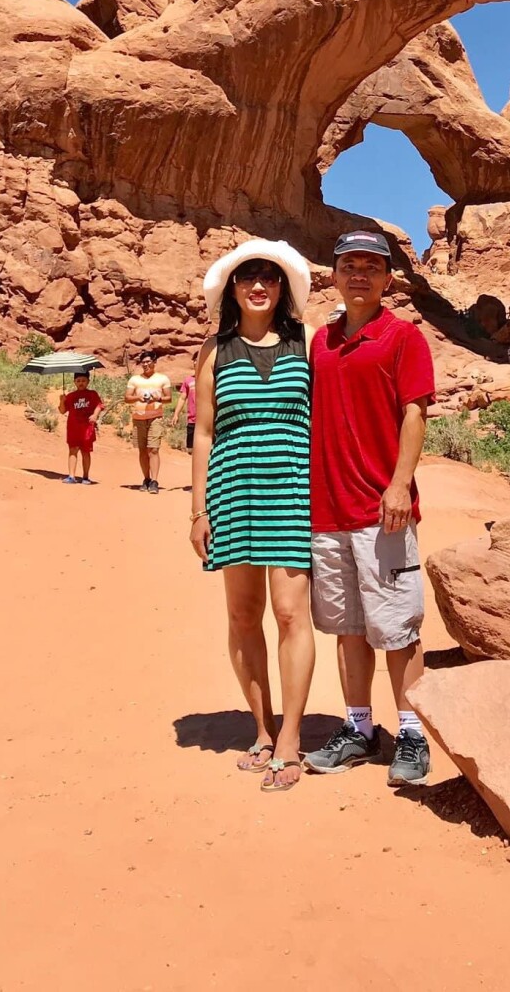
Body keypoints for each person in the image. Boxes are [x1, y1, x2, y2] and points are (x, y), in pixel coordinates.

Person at [303, 229, 436, 789]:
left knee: (397, 626)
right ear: (333, 274)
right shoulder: (321, 342)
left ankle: (412, 731)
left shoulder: (403, 337)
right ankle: (359, 727)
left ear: (387, 280)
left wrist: (400, 483)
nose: (360, 274)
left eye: (371, 266)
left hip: (383, 509)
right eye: (349, 264)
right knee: (348, 627)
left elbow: (415, 412)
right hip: (327, 510)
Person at [190, 240, 316, 793]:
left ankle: (290, 740)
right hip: (232, 492)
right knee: (244, 616)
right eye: (248, 277)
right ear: (232, 289)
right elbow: (203, 432)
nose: (258, 284)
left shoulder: (305, 342)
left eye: (269, 276)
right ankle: (262, 731)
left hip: (292, 492)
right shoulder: (214, 351)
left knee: (291, 614)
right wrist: (198, 510)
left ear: (283, 287)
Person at [124, 349, 172, 493]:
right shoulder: (134, 380)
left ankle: (155, 481)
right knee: (143, 451)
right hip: (138, 418)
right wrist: (138, 398)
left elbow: (168, 398)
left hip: (155, 417)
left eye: (148, 362)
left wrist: (157, 398)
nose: (145, 365)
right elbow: (127, 398)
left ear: (154, 362)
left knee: (154, 449)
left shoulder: (162, 379)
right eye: (143, 362)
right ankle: (146, 479)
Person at [58, 370, 102, 483]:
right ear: (74, 382)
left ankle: (85, 477)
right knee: (72, 450)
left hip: (87, 428)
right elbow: (62, 411)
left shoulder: (92, 394)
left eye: (83, 380)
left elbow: (99, 405)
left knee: (85, 452)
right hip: (73, 428)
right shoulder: (71, 396)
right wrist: (62, 401)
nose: (81, 383)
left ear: (88, 381)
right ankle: (71, 476)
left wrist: (95, 415)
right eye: (78, 381)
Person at [173, 353, 199, 451]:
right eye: (195, 360)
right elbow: (182, 398)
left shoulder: (211, 378)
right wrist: (176, 414)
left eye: (199, 359)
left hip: (207, 421)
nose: (196, 362)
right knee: (191, 450)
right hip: (192, 420)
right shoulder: (188, 380)